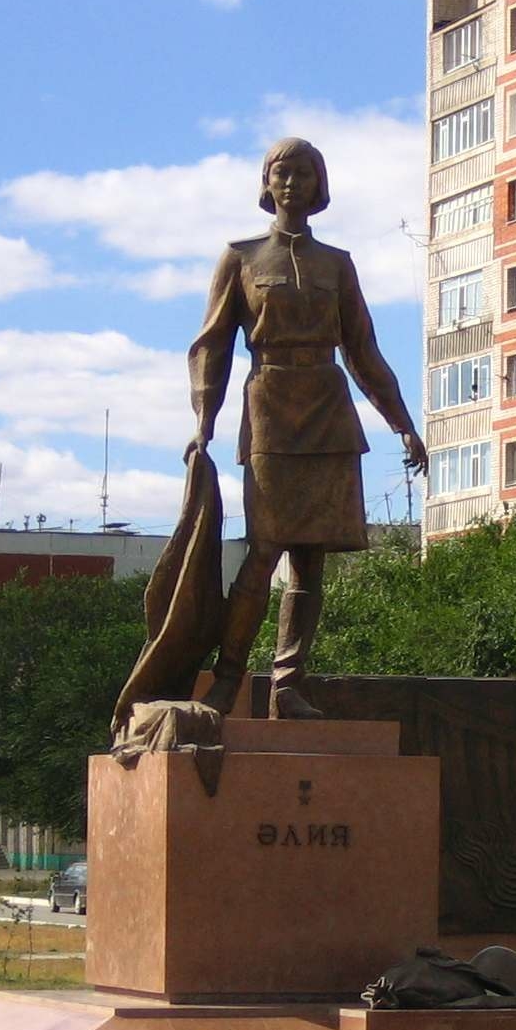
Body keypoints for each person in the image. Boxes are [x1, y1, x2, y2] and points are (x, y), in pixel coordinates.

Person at [177, 137, 428, 722]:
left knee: (311, 560)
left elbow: (363, 349)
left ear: (320, 185)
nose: (292, 183)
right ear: (266, 183)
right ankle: (229, 681)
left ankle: (288, 685)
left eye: (304, 173)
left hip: (328, 412)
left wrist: (402, 423)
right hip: (269, 406)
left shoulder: (336, 264)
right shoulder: (240, 258)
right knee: (264, 549)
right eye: (282, 172)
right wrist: (203, 422)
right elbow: (212, 346)